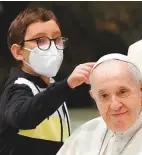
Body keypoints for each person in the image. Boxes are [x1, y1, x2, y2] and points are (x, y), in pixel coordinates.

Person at [0, 7, 95, 155]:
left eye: (57, 39)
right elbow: (23, 117)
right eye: (40, 40)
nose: (52, 47)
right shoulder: (17, 87)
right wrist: (67, 84)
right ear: (18, 51)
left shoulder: (52, 87)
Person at [56, 53, 142, 155]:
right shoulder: (85, 134)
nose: (115, 105)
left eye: (123, 92)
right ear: (94, 97)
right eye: (104, 96)